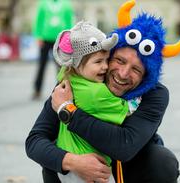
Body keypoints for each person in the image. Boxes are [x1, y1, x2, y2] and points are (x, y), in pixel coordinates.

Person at [26, 0, 180, 182]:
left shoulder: (155, 94)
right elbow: (34, 141)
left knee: (162, 161)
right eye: (119, 60)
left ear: (146, 77)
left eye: (136, 70)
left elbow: (124, 146)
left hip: (129, 169)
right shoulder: (75, 82)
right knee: (53, 158)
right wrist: (72, 161)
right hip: (79, 171)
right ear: (107, 55)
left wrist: (68, 110)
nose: (123, 74)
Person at [53, 21, 133, 183]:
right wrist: (138, 96)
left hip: (67, 161)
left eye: (106, 60)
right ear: (77, 64)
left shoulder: (66, 77)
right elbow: (127, 110)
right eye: (98, 62)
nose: (105, 67)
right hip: (90, 166)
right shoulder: (97, 92)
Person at [32, 0, 74, 99]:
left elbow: (69, 21)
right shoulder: (43, 3)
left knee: (61, 67)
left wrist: (68, 37)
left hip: (60, 40)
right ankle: (37, 90)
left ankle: (62, 89)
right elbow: (39, 20)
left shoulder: (66, 4)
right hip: (45, 38)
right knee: (42, 65)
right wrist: (38, 35)